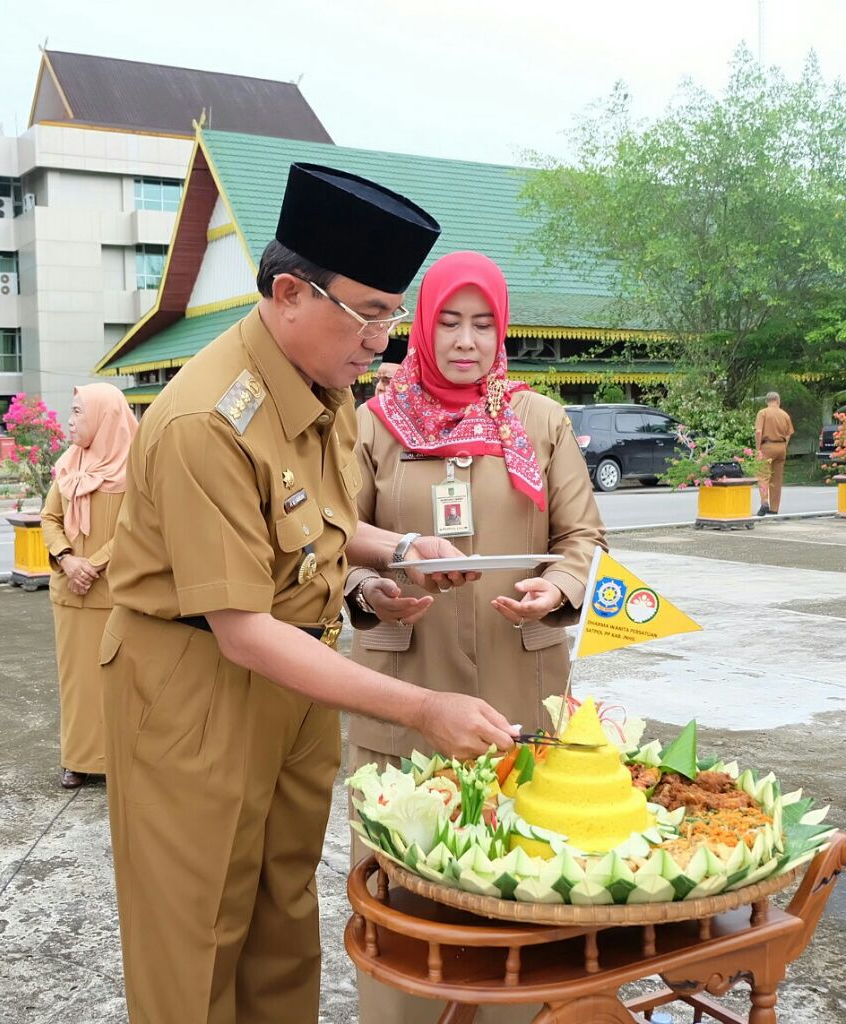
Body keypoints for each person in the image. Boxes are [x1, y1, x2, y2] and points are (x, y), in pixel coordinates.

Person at [100, 162, 515, 1024]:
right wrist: (422, 707)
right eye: (368, 313)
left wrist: (403, 547)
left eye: (391, 315)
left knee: (284, 911)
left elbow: (313, 519)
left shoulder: (323, 390)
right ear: (291, 291)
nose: (382, 339)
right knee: (198, 929)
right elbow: (242, 628)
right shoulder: (206, 420)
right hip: (197, 692)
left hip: (294, 689)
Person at [347, 250, 607, 1024]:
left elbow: (581, 536)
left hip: (517, 683)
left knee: (526, 881)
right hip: (404, 688)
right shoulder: (372, 423)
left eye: (483, 323)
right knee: (404, 888)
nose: (466, 341)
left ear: (502, 330)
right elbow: (328, 540)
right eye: (450, 322)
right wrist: (375, 593)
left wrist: (556, 588)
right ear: (422, 328)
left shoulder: (539, 420)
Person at [40, 383, 137, 789]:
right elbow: (49, 518)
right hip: (71, 593)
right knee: (76, 683)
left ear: (104, 416)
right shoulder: (68, 466)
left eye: (79, 412)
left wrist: (92, 565)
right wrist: (67, 558)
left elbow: (138, 526)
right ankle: (77, 758)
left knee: (122, 683)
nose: (71, 421)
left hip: (116, 596)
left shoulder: (136, 468)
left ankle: (121, 760)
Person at [755, 391, 794, 515]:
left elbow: (758, 432)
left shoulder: (763, 413)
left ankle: (764, 502)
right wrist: (783, 447)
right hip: (781, 447)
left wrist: (758, 448)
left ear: (767, 401)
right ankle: (774, 508)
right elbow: (788, 435)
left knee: (763, 476)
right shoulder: (785, 415)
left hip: (767, 446)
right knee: (777, 479)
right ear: (778, 401)